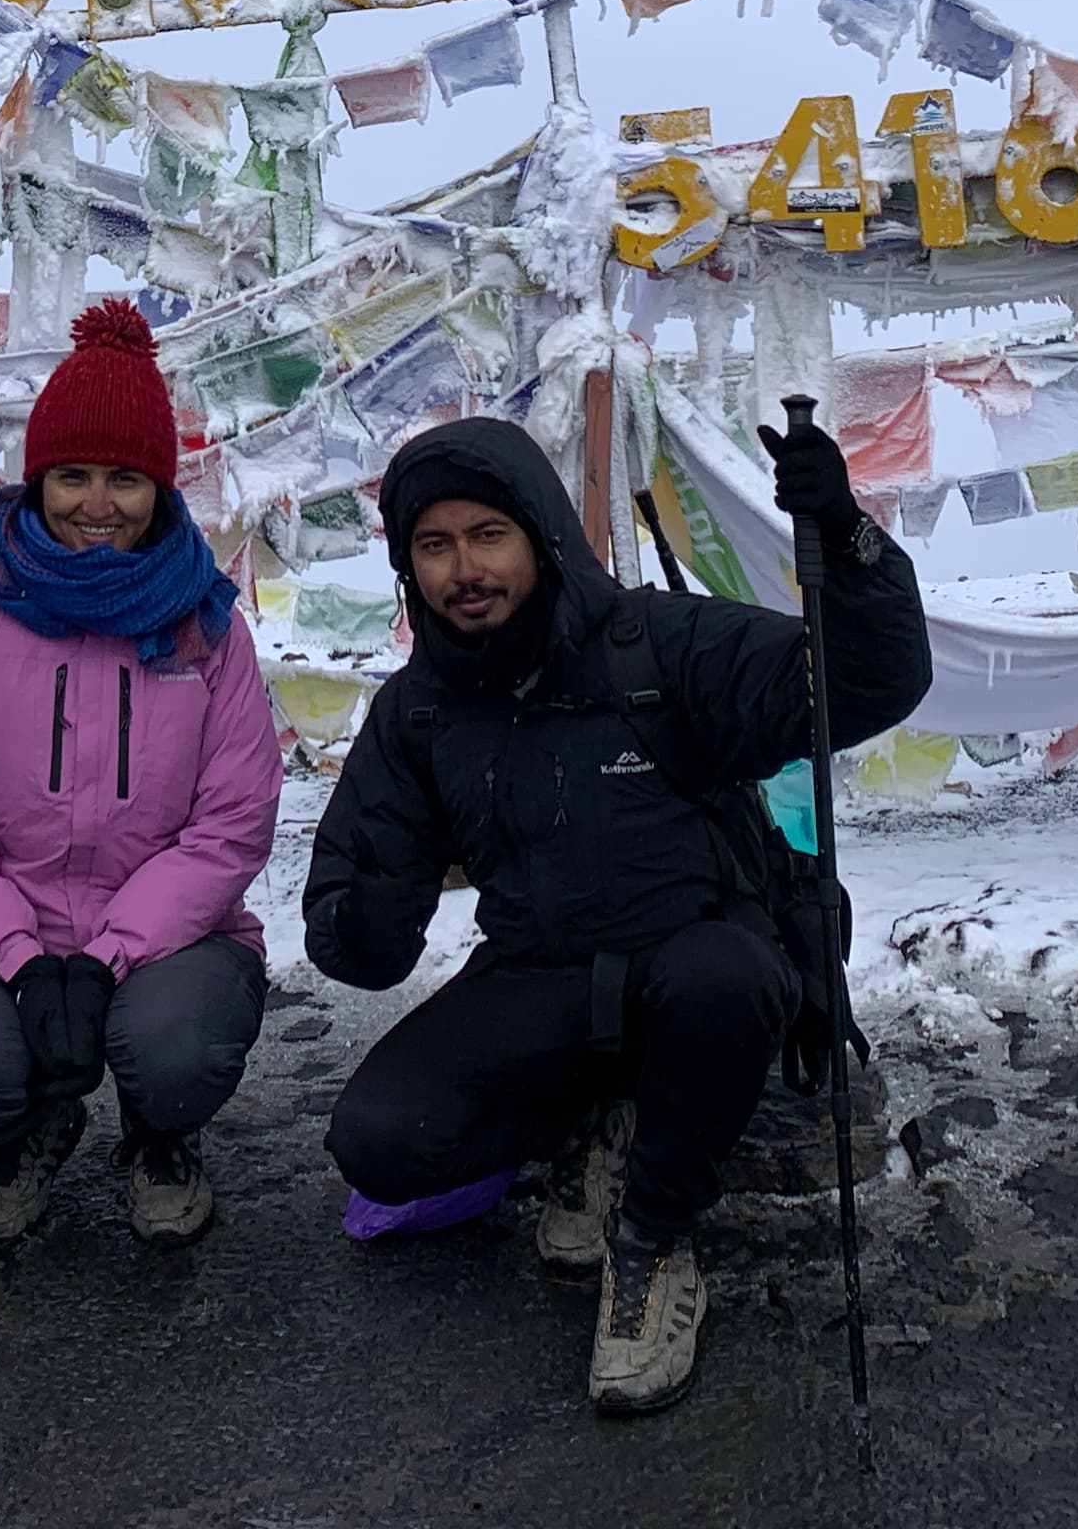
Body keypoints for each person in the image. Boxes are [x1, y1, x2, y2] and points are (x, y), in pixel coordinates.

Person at [304, 412, 930, 1415]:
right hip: (544, 976)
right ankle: (595, 1128)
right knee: (379, 1140)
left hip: (694, 961)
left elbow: (869, 685)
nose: (464, 567)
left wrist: (849, 544)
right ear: (407, 566)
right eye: (434, 545)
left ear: (542, 537)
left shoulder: (658, 645)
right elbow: (352, 931)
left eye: (487, 535)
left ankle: (654, 1237)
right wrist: (368, 912)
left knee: (726, 981)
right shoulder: (416, 711)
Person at [0, 300, 283, 1246]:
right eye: (71, 476)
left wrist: (109, 959)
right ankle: (34, 1122)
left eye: (125, 480)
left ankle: (160, 1130)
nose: (97, 505)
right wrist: (23, 964)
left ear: (161, 489)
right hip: (8, 941)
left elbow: (230, 825)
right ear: (35, 480)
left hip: (173, 943)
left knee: (171, 1048)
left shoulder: (208, 630)